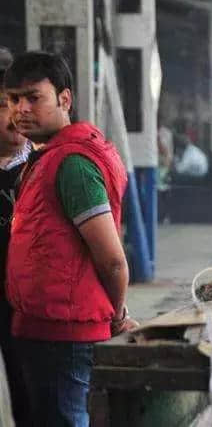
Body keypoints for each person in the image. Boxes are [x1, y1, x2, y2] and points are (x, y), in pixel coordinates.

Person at [4, 51, 138, 427]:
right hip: (45, 328)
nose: (21, 109)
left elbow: (112, 259)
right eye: (14, 99)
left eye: (34, 97)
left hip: (64, 334)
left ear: (65, 99)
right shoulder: (48, 158)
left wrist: (118, 313)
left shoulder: (72, 165)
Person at [0, 47, 30, 426]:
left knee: (29, 393)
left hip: (26, 301)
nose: (12, 116)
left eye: (17, 103)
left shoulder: (46, 163)